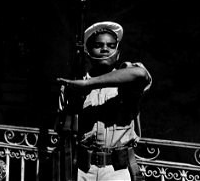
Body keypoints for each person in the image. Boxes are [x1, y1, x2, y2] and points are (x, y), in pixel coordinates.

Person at [56, 21, 152, 181]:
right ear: (88, 52)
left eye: (111, 45)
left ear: (118, 52)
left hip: (116, 170)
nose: (105, 49)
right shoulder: (73, 85)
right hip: (81, 169)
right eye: (98, 45)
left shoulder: (126, 79)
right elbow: (62, 128)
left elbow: (141, 74)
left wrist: (88, 84)